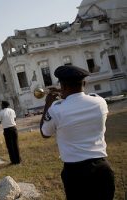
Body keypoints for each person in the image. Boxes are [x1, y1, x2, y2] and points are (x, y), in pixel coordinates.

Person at [40, 65, 115, 200]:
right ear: (84, 83)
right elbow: (82, 99)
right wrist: (66, 92)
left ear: (62, 86)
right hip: (102, 169)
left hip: (75, 173)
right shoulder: (100, 102)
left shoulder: (56, 110)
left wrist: (48, 104)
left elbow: (45, 133)